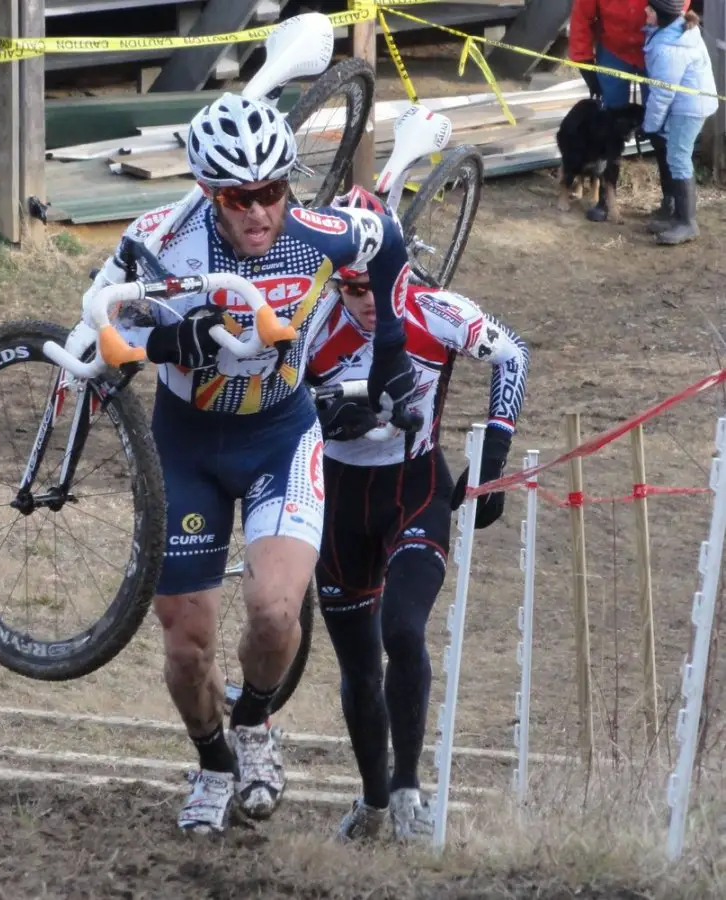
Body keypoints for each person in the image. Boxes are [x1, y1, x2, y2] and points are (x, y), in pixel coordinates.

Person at [85, 94, 422, 835]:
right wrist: (170, 337)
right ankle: (211, 764)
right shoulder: (162, 237)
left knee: (274, 613)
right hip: (187, 443)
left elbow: (388, 239)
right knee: (185, 642)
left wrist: (393, 350)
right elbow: (101, 314)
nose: (260, 211)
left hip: (281, 437)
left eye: (272, 191)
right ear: (210, 192)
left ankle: (256, 725)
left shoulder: (317, 232)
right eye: (240, 198)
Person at [305, 186, 530, 843]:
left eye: (376, 284)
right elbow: (265, 402)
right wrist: (318, 412)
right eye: (350, 290)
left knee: (403, 631)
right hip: (338, 505)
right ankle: (374, 800)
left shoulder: (435, 311)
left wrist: (493, 453)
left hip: (415, 493)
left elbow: (511, 352)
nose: (366, 302)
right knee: (357, 667)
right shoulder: (312, 327)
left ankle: (407, 790)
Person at [567, 0, 691, 224]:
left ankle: (670, 201)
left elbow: (678, 5)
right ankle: (606, 199)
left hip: (656, 43)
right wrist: (584, 61)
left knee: (662, 126)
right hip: (614, 49)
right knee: (608, 126)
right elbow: (580, 18)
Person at [641, 2, 718, 244]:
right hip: (689, 102)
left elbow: (663, 93)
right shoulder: (678, 28)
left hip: (689, 108)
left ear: (663, 15)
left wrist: (649, 126)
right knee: (676, 156)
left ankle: (687, 223)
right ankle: (676, 216)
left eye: (650, 10)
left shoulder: (671, 49)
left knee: (678, 158)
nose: (645, 12)